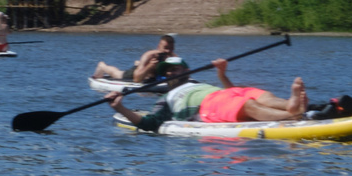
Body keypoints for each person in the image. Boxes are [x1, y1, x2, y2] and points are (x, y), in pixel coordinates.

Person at [108, 57, 307, 128]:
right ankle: (292, 117)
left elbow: (230, 91)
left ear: (186, 71)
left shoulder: (196, 81)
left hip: (223, 94)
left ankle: (290, 104)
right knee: (249, 106)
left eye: (175, 69)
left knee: (262, 96)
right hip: (207, 106)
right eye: (167, 71)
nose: (170, 72)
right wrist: (120, 107)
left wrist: (222, 74)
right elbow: (150, 123)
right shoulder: (166, 98)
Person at [94, 34, 180, 85]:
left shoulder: (173, 57)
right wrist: (150, 66)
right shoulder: (149, 56)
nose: (168, 51)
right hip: (138, 72)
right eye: (165, 48)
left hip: (151, 75)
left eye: (171, 48)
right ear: (158, 47)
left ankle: (138, 63)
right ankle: (102, 66)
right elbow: (136, 79)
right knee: (118, 74)